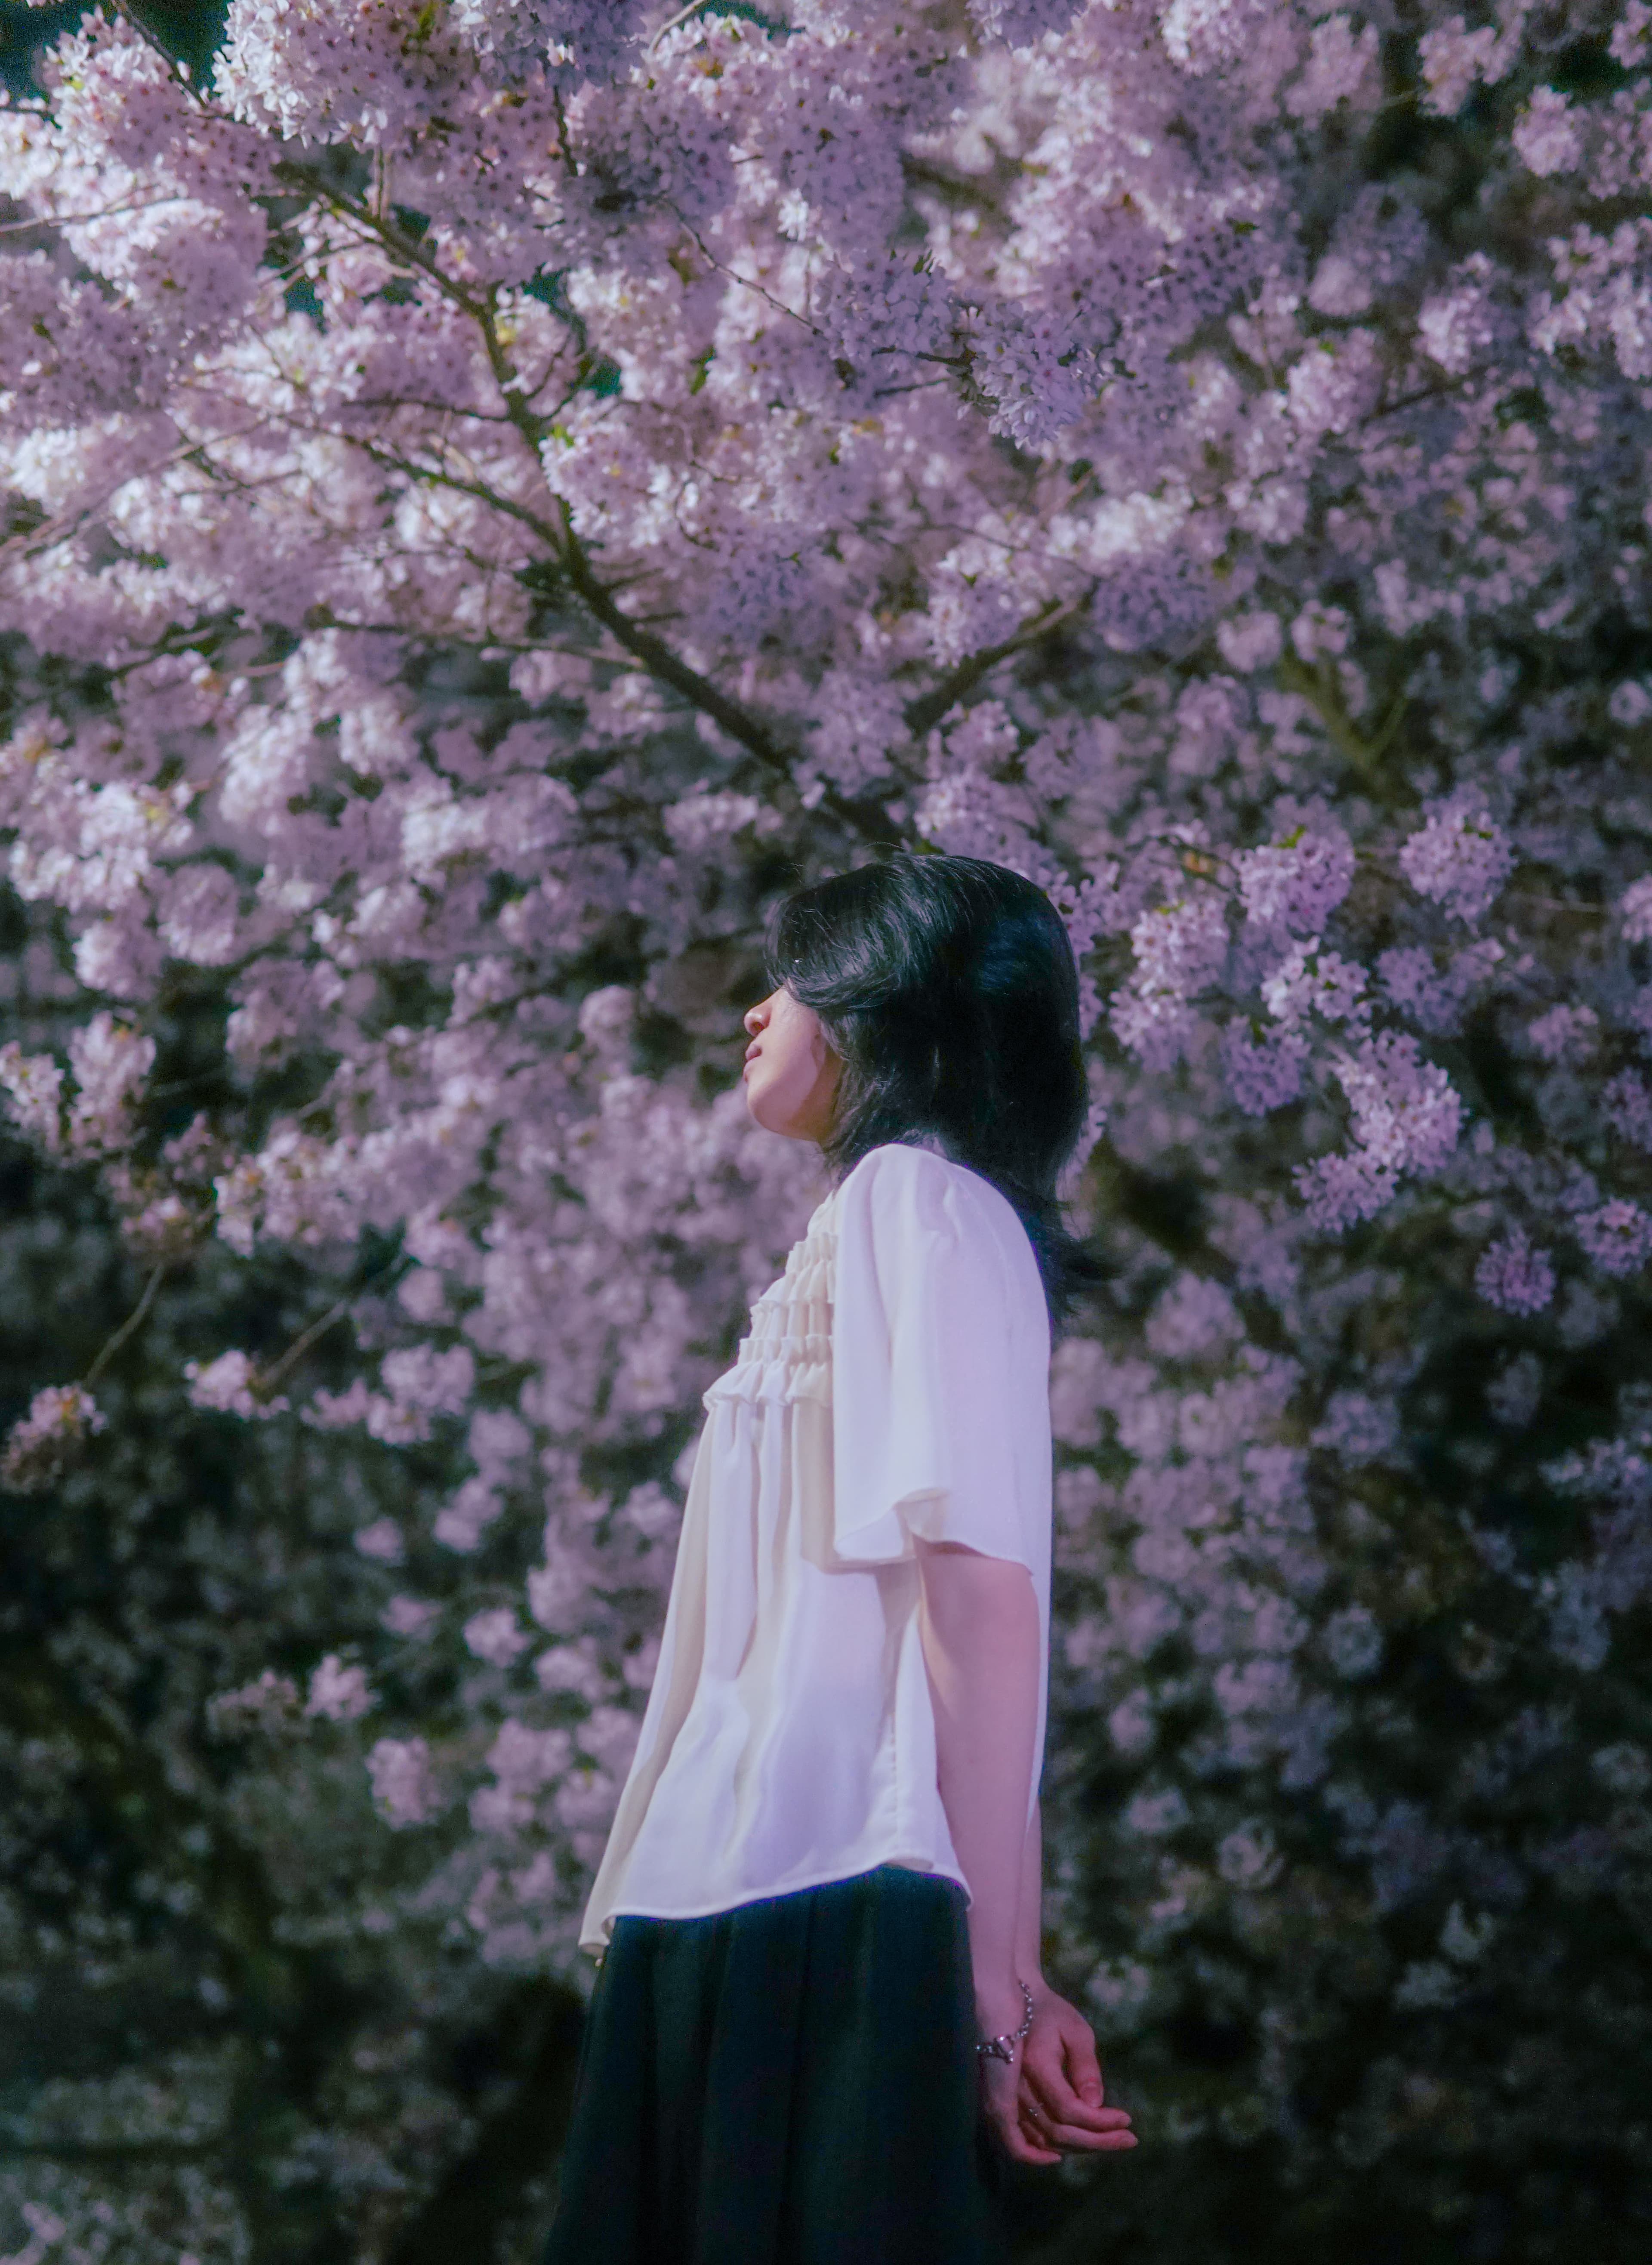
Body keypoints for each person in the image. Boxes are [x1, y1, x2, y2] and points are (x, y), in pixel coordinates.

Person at [542, 852, 1136, 2265]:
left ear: (888, 1009)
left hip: (817, 1884)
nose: (755, 1011)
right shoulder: (914, 1219)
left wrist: (991, 1990)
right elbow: (980, 1614)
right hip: (762, 1873)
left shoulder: (911, 1202)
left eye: (796, 982)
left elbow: (982, 1602)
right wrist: (1012, 1972)